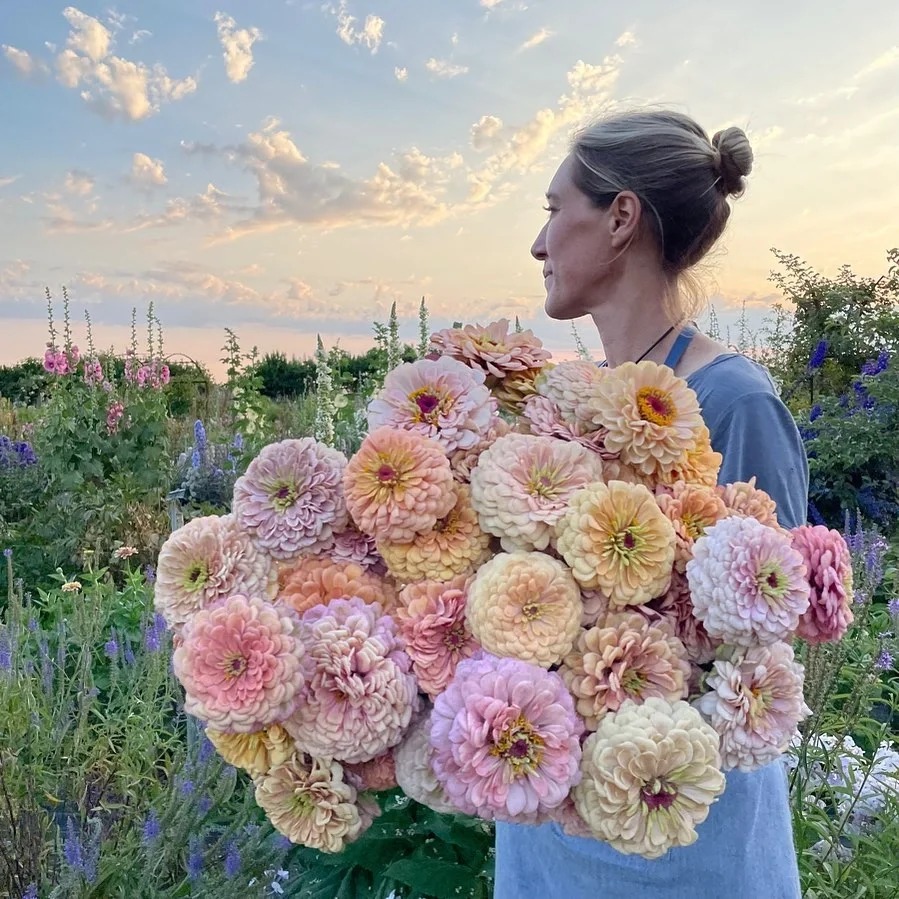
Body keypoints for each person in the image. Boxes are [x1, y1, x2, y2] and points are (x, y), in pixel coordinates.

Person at [493, 109, 809, 898]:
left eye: (553, 209)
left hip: (682, 854)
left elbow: (767, 659)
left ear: (620, 217)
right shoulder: (569, 410)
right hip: (550, 846)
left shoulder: (731, 401)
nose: (538, 244)